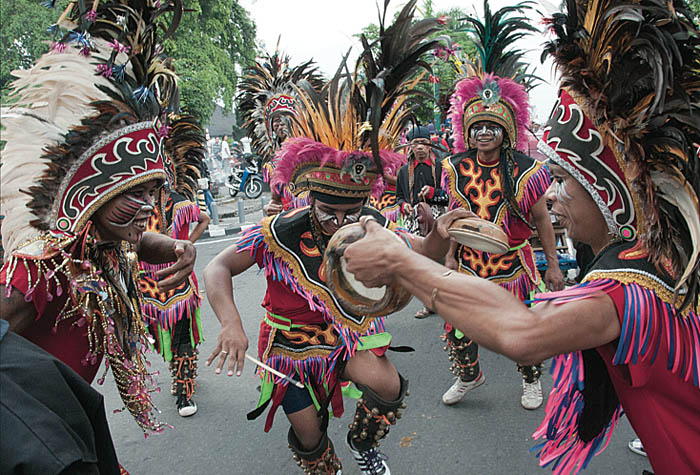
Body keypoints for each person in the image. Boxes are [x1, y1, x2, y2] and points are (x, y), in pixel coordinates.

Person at [343, 0, 700, 472]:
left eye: (568, 182)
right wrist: (429, 253)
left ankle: (530, 382)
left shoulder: (629, 287)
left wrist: (401, 263)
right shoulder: (672, 253)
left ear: (613, 193)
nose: (554, 196)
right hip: (473, 266)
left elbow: (523, 331)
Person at [204, 4, 448, 473]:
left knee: (389, 387)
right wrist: (230, 324)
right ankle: (327, 465)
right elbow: (217, 267)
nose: (339, 222)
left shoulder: (371, 222)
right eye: (327, 212)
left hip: (346, 332)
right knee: (309, 432)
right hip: (291, 343)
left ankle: (362, 443)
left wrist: (437, 235)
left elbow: (423, 255)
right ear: (308, 200)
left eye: (349, 212)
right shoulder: (281, 230)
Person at [0, 0, 197, 439]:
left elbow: (130, 241)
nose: (149, 206)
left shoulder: (94, 247)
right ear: (93, 195)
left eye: (153, 192)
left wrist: (176, 246)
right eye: (135, 194)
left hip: (68, 427)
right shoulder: (41, 268)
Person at [435, 1, 563, 411]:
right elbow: (455, 218)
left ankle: (530, 381)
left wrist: (555, 264)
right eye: (478, 128)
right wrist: (451, 257)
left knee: (522, 328)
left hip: (514, 264)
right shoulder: (455, 167)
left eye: (492, 127)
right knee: (459, 330)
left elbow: (542, 219)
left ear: (505, 132)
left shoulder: (526, 168)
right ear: (468, 133)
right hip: (471, 263)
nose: (485, 133)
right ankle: (469, 376)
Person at [139, 116, 210, 418]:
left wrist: (188, 244)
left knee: (182, 339)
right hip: (149, 285)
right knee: (162, 337)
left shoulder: (176, 201)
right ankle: (179, 376)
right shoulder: (137, 204)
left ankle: (185, 391)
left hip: (179, 284)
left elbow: (204, 219)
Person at [237, 49, 324, 216]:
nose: (281, 123)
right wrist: (269, 207)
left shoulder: (317, 154)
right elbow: (276, 200)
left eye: (286, 117)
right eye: (276, 119)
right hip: (290, 228)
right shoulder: (273, 165)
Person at [396, 125, 449, 319]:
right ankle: (429, 302)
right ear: (410, 146)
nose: (419, 147)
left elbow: (449, 196)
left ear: (429, 145)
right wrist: (404, 206)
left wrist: (434, 193)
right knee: (420, 264)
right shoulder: (403, 172)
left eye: (423, 143)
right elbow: (399, 198)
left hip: (437, 219)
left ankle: (445, 301)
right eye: (416, 143)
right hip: (413, 222)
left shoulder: (442, 168)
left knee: (441, 262)